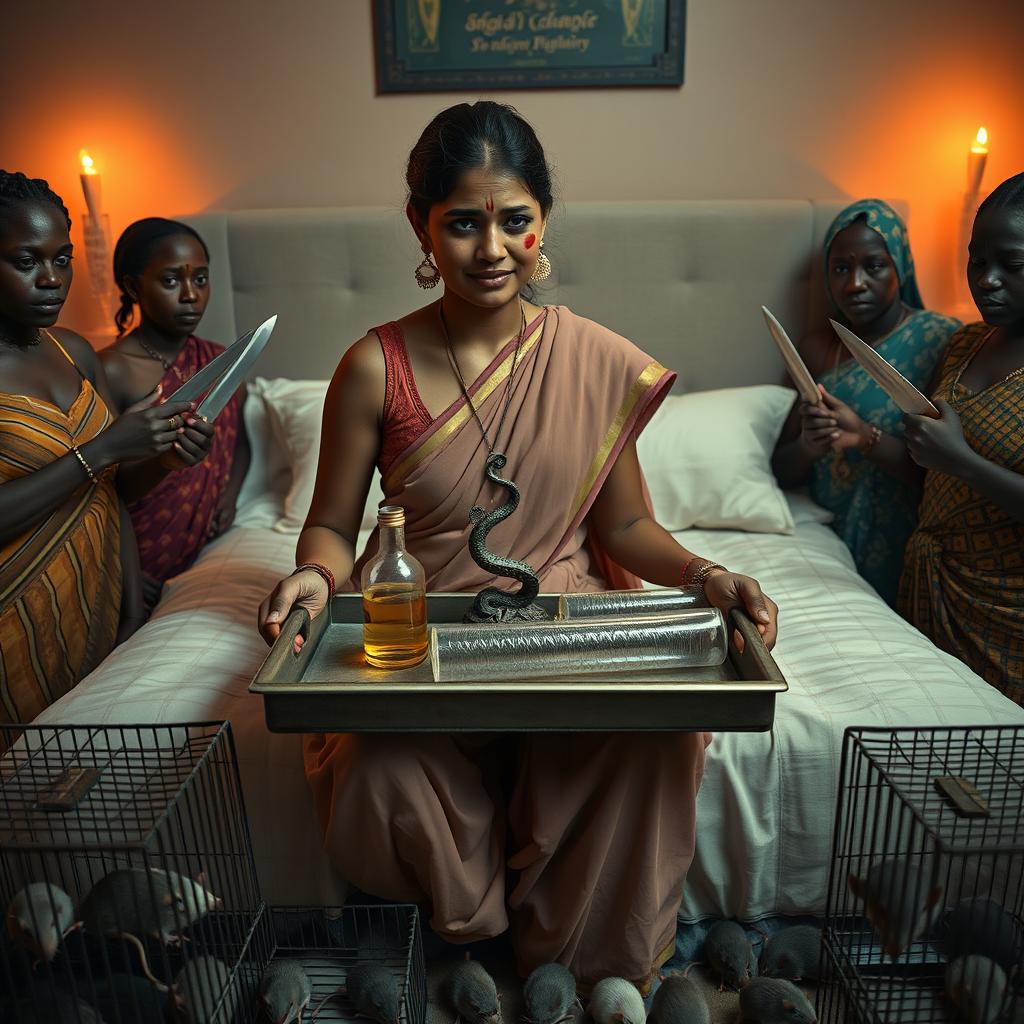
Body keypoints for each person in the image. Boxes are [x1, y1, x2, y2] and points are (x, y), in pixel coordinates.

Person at [256, 102, 779, 992]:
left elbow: (623, 530)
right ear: (421, 224)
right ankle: (474, 935)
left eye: (514, 221)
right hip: (427, 634)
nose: (490, 248)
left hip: (564, 637)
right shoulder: (373, 365)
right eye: (463, 222)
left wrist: (709, 572)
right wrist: (312, 576)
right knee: (371, 760)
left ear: (542, 225)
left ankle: (581, 960)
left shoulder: (589, 357)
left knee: (656, 736)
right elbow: (337, 527)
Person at [0, 172, 213, 723]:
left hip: (94, 598)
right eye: (26, 262)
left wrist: (166, 456)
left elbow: (108, 487)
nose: (52, 280)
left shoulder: (73, 352)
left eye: (62, 259)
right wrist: (99, 451)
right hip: (15, 613)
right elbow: (94, 462)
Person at [772, 200, 960, 605]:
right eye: (841, 268)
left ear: (901, 267)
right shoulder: (817, 348)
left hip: (902, 532)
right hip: (826, 539)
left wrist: (864, 436)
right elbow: (781, 471)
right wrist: (809, 445)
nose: (855, 283)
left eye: (873, 266)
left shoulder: (938, 339)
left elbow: (948, 475)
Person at [900, 173, 1024, 703]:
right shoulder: (964, 344)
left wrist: (964, 461)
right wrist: (860, 436)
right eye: (977, 260)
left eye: (1011, 264)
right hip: (932, 585)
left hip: (1007, 616)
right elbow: (925, 470)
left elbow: (953, 463)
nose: (987, 279)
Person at [100, 218, 249, 611]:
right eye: (170, 281)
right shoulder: (112, 369)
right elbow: (103, 485)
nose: (190, 295)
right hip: (133, 556)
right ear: (133, 287)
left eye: (200, 280)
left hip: (203, 549)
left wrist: (229, 499)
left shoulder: (221, 360)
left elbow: (241, 445)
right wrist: (126, 571)